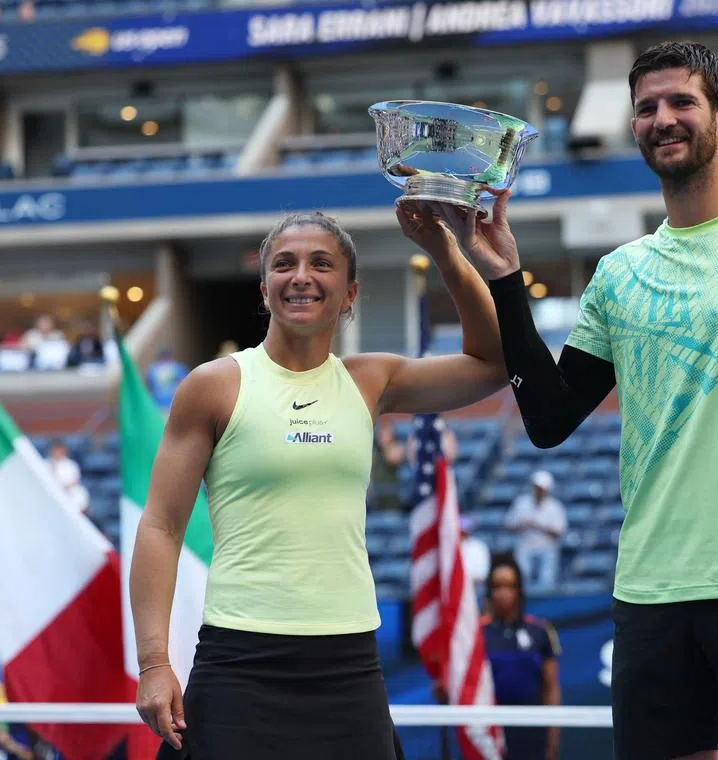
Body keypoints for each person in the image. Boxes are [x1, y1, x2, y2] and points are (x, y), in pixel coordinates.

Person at [438, 41, 718, 759]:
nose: (663, 118)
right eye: (647, 107)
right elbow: (550, 418)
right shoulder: (620, 275)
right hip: (653, 594)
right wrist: (504, 276)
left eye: (681, 102)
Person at [129, 205, 507, 759]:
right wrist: (154, 663)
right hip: (240, 662)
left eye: (321, 264)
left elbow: (494, 362)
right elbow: (161, 527)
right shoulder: (214, 387)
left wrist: (446, 251)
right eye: (284, 264)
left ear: (350, 292)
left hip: (347, 663)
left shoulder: (372, 380)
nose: (301, 275)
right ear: (264, 289)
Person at [480, 553, 562, 760]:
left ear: (519, 590)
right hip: (490, 731)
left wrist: (552, 743)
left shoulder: (540, 630)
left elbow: (550, 688)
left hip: (532, 729)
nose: (503, 593)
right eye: (497, 587)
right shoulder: (477, 634)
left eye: (509, 586)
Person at [504, 470, 568, 593]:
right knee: (522, 578)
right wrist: (523, 524)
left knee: (546, 581)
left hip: (547, 548)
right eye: (536, 487)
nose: (538, 491)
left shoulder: (555, 507)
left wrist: (539, 526)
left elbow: (559, 532)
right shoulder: (521, 503)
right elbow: (509, 525)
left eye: (541, 488)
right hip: (525, 546)